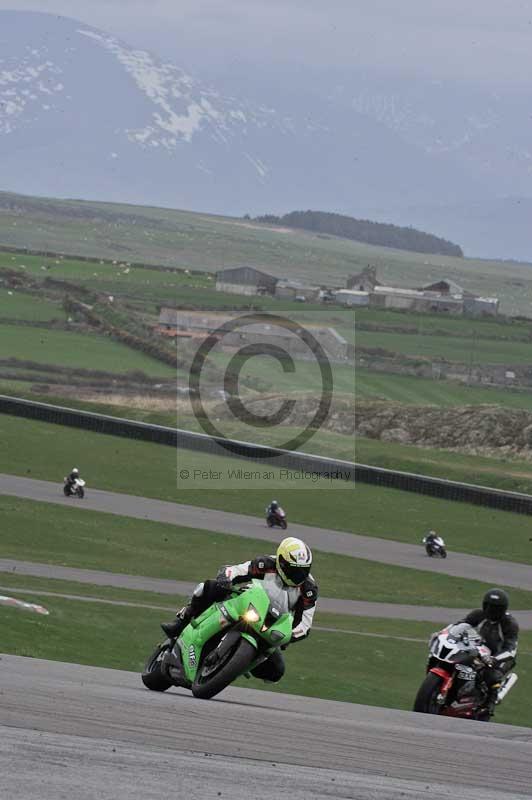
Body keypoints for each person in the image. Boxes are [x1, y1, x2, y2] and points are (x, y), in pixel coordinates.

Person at [161, 536, 318, 683]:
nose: (300, 575)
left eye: (305, 570)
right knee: (209, 587)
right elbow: (237, 570)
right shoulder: (265, 564)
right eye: (295, 570)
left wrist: (289, 635)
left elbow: (304, 625)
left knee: (277, 671)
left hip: (270, 627)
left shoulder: (309, 589)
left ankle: (235, 664)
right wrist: (225, 578)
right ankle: (182, 620)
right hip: (246, 603)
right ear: (282, 563)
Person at [461, 588, 519, 715]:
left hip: (502, 656)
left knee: (492, 674)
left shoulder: (509, 623)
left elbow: (511, 649)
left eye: (496, 608)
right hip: (480, 650)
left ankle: (489, 705)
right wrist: (444, 633)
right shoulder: (477, 614)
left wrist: (494, 659)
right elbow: (460, 626)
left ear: (503, 609)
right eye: (488, 606)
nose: (491, 610)